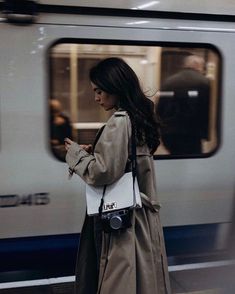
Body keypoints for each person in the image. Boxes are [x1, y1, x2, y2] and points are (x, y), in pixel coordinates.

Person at [64, 57, 171, 294]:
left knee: (120, 279)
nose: (96, 98)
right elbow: (125, 160)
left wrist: (75, 155)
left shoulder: (119, 123)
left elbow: (102, 172)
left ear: (115, 86)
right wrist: (98, 151)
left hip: (125, 224)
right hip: (142, 217)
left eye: (99, 91)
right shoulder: (138, 118)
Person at [157, 54, 210, 155]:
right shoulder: (205, 82)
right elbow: (207, 109)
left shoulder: (169, 81)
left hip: (169, 132)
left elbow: (160, 107)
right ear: (198, 65)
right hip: (192, 133)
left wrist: (160, 128)